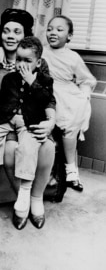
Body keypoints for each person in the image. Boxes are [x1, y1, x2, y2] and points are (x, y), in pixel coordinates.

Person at [0, 8, 56, 230]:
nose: (10, 36)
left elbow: (48, 99)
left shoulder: (39, 67)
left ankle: (34, 199)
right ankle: (21, 197)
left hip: (31, 121)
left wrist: (50, 121)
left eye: (17, 32)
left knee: (43, 147)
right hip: (6, 120)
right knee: (8, 150)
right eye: (6, 31)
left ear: (25, 36)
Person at [42, 15, 96, 192]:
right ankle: (49, 173)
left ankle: (71, 170)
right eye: (50, 29)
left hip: (67, 97)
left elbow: (86, 80)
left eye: (59, 29)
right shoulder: (40, 51)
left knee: (69, 131)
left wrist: (85, 96)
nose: (53, 33)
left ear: (69, 36)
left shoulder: (73, 57)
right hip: (46, 94)